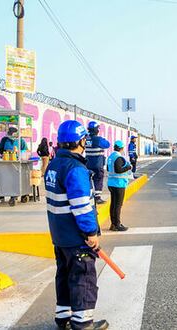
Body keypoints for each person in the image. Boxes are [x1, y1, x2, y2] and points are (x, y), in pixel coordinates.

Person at [44, 120, 108, 330]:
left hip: (59, 236)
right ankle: (83, 323)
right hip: (76, 237)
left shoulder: (53, 165)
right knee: (83, 278)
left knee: (64, 275)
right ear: (81, 141)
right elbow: (82, 207)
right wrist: (90, 233)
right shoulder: (75, 169)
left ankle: (63, 318)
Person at [0, 127, 28, 206]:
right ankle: (2, 194)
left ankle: (14, 194)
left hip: (17, 162)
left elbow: (25, 150)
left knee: (14, 179)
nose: (11, 137)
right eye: (9, 135)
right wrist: (4, 151)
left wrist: (20, 153)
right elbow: (0, 149)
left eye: (12, 135)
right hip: (6, 161)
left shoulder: (21, 140)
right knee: (4, 178)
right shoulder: (5, 139)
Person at [107, 140, 131, 231]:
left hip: (111, 183)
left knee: (113, 204)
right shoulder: (119, 157)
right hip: (118, 184)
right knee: (118, 205)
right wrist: (128, 167)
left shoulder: (111, 157)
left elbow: (109, 168)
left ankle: (113, 224)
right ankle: (117, 224)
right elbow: (119, 170)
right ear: (122, 148)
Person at [85, 122, 110, 204]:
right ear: (96, 130)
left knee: (89, 180)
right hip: (97, 164)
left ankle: (89, 196)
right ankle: (97, 197)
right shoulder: (98, 139)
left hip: (88, 163)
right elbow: (107, 144)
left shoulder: (86, 139)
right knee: (98, 179)